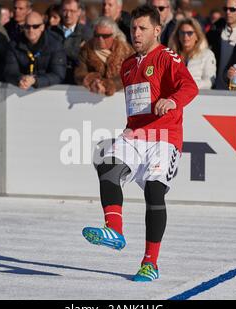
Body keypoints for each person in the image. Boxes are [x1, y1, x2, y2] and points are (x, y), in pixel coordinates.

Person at [82, 5, 198, 282]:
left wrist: (172, 100)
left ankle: (150, 263)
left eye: (143, 28)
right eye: (133, 28)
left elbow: (190, 87)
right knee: (107, 164)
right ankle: (115, 231)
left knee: (154, 193)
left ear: (157, 30)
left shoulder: (167, 57)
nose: (136, 33)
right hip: (135, 134)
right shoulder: (128, 64)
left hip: (164, 138)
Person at [4, 11, 66, 90]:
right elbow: (9, 72)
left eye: (35, 26)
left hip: (49, 92)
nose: (31, 30)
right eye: (27, 26)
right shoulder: (14, 45)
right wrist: (20, 78)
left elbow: (58, 75)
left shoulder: (55, 45)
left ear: (42, 27)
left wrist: (36, 81)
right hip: (21, 90)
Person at [74, 16, 134, 96]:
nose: (100, 39)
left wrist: (109, 85)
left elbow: (130, 74)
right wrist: (92, 81)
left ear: (113, 35)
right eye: (97, 35)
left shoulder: (127, 51)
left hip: (121, 98)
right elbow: (79, 72)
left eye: (105, 36)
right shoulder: (86, 50)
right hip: (92, 97)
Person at [206, 0, 236, 90]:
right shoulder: (215, 31)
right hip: (216, 88)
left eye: (232, 9)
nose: (228, 12)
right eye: (225, 9)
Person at [50, 0, 92, 84]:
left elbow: (88, 59)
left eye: (72, 11)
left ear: (79, 12)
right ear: (61, 11)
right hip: (54, 81)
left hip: (77, 83)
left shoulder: (87, 34)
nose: (68, 15)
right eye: (65, 10)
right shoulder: (51, 32)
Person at [169, 18, 216, 89]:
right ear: (177, 35)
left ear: (197, 36)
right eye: (182, 32)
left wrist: (187, 85)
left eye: (190, 33)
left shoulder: (207, 55)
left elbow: (209, 82)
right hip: (173, 98)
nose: (185, 36)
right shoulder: (170, 55)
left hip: (198, 97)